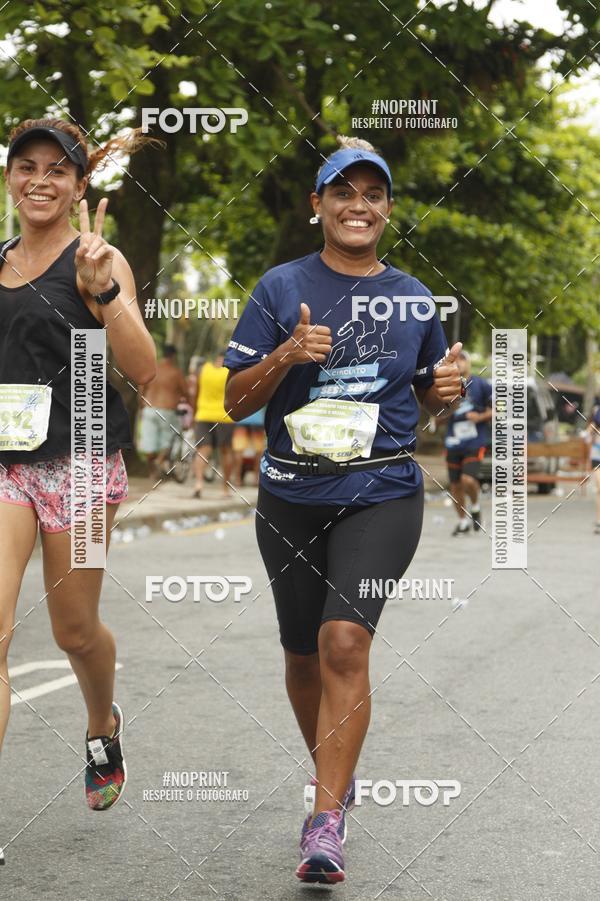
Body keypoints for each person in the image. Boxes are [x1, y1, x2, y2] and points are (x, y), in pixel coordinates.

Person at [223, 135, 464, 885]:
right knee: (302, 655)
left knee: (343, 642)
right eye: (343, 193)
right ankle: (336, 770)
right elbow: (233, 402)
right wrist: (286, 354)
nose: (358, 205)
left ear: (388, 210)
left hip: (382, 492)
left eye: (373, 195)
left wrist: (443, 393)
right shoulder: (279, 287)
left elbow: (426, 400)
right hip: (290, 494)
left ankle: (325, 818)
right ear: (317, 205)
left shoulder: (414, 297)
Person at [0, 118, 157, 862]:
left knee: (73, 630)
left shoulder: (98, 257)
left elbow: (144, 367)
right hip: (6, 464)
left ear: (79, 185)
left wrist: (106, 294)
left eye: (56, 170)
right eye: (26, 166)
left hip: (84, 465)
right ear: (9, 178)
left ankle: (102, 723)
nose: (40, 180)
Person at [439, 350, 492, 535]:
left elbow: (499, 408)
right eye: (456, 360)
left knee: (467, 479)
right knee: (455, 486)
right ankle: (462, 522)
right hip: (453, 442)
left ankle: (475, 506)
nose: (459, 363)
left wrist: (480, 417)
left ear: (469, 363)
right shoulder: (448, 386)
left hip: (474, 441)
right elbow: (437, 414)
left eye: (463, 359)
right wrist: (441, 416)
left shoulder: (481, 384)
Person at [137, 343, 189, 479]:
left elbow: (141, 389)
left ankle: (152, 472)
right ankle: (159, 461)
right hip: (167, 411)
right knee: (169, 440)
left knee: (149, 442)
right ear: (173, 356)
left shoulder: (152, 369)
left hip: (149, 409)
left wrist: (141, 405)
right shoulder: (176, 372)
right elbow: (185, 392)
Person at [192, 350, 235, 498]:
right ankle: (225, 488)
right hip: (225, 416)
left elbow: (196, 393)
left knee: (203, 450)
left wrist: (194, 413)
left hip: (203, 414)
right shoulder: (230, 372)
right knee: (226, 451)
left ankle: (199, 483)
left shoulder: (203, 369)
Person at [232, 406, 266, 486]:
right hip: (258, 420)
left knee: (238, 450)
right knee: (258, 451)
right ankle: (257, 479)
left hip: (241, 419)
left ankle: (237, 479)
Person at [586, 405, 600, 533]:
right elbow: (587, 438)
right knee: (599, 488)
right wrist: (590, 432)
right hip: (597, 456)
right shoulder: (595, 422)